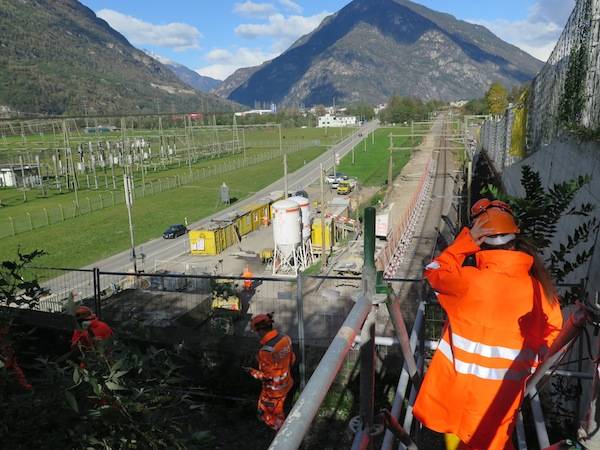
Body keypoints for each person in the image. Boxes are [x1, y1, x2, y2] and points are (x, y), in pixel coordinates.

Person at [413, 198, 563, 450]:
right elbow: (553, 339)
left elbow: (434, 270)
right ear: (515, 242)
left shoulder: (468, 282)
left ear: (482, 244)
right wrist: (530, 361)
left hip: (457, 398)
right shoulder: (540, 291)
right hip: (499, 403)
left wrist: (466, 241)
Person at [245, 313, 296, 431]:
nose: (257, 335)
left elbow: (268, 377)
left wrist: (252, 372)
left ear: (261, 330)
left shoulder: (266, 351)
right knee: (279, 410)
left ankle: (282, 438)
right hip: (287, 383)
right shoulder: (285, 338)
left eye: (256, 332)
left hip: (273, 392)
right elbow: (292, 359)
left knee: (268, 415)